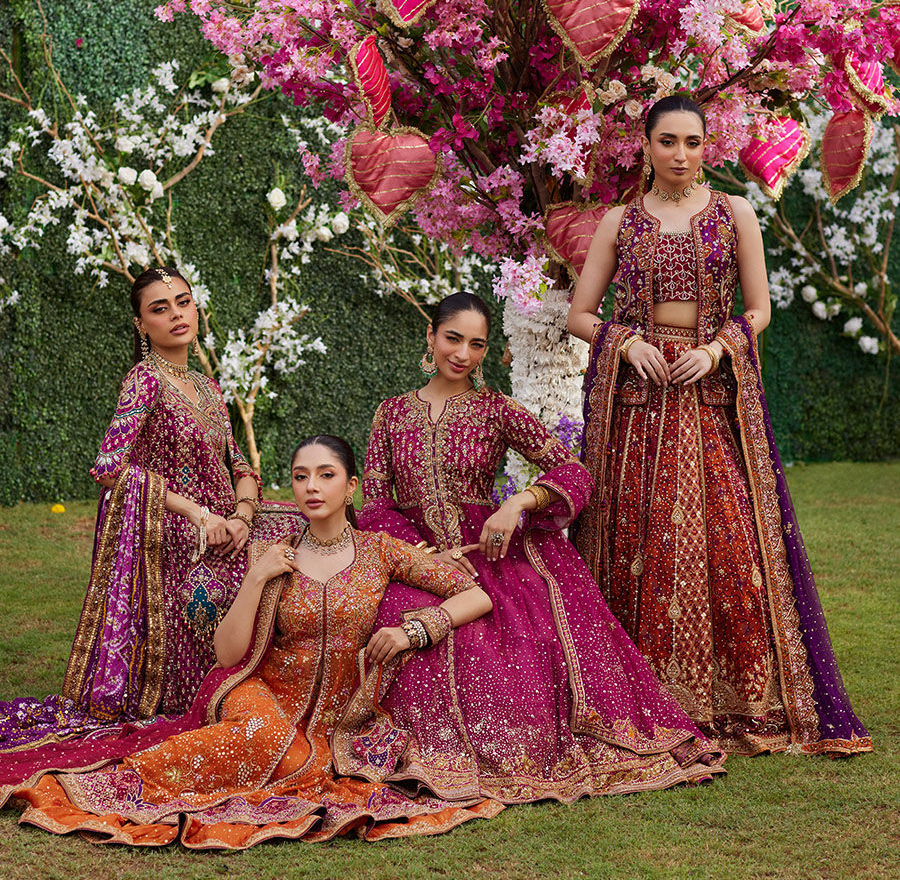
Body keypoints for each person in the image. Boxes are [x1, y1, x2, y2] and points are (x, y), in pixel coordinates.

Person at [1, 436, 501, 848]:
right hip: (259, 691)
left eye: (326, 475)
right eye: (301, 476)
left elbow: (474, 594)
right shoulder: (274, 551)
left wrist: (415, 629)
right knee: (267, 738)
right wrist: (256, 577)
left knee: (301, 758)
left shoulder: (380, 552)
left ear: (351, 487)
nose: (311, 486)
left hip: (335, 720)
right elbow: (227, 655)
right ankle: (119, 781)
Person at [568, 94, 872, 756]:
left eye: (693, 142)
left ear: (707, 145)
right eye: (668, 141)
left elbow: (759, 309)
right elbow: (579, 314)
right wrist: (624, 342)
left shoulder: (735, 213)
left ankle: (739, 699)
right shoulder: (620, 221)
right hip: (638, 409)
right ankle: (640, 696)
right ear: (646, 145)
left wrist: (715, 350)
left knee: (730, 538)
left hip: (709, 398)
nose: (681, 154)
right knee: (636, 539)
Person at [357, 291, 725, 806]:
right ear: (431, 336)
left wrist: (517, 504)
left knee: (509, 646)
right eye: (453, 339)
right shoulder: (391, 414)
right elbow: (375, 503)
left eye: (477, 345)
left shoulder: (497, 409)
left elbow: (574, 471)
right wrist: (419, 556)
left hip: (488, 554)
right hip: (414, 558)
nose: (462, 354)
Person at [0, 266, 298, 758]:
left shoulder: (208, 387)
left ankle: (306, 680)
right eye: (160, 309)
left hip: (228, 524)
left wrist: (242, 516)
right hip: (174, 538)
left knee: (301, 529)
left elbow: (241, 466)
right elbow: (108, 467)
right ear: (141, 325)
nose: (177, 315)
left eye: (183, 302)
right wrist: (200, 515)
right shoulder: (145, 381)